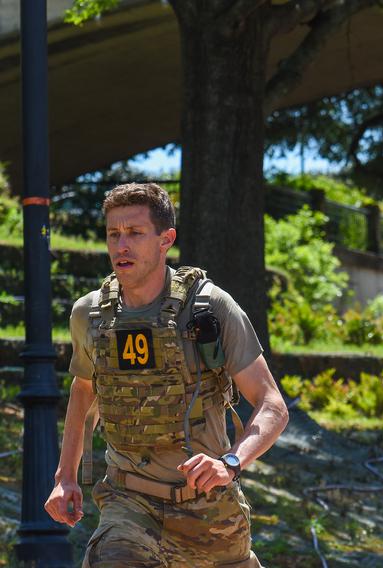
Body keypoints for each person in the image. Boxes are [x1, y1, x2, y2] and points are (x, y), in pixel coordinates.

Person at [44, 183, 289, 567]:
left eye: (135, 233)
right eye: (113, 234)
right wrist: (65, 478)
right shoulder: (90, 315)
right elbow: (83, 391)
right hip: (128, 502)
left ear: (166, 239)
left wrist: (230, 463)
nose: (121, 245)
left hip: (207, 511)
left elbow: (272, 404)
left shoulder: (209, 308)